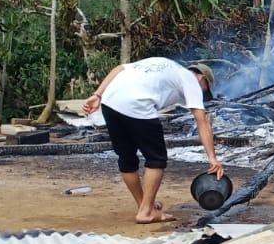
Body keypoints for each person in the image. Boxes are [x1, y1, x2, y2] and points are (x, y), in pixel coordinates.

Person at [80, 57, 223, 224]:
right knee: (156, 159)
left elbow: (119, 68)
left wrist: (97, 94)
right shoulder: (191, 80)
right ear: (202, 78)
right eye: (205, 90)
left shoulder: (164, 64)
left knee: (127, 158)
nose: (203, 94)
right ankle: (146, 212)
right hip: (137, 104)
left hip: (110, 101)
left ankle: (144, 206)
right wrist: (212, 158)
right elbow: (202, 120)